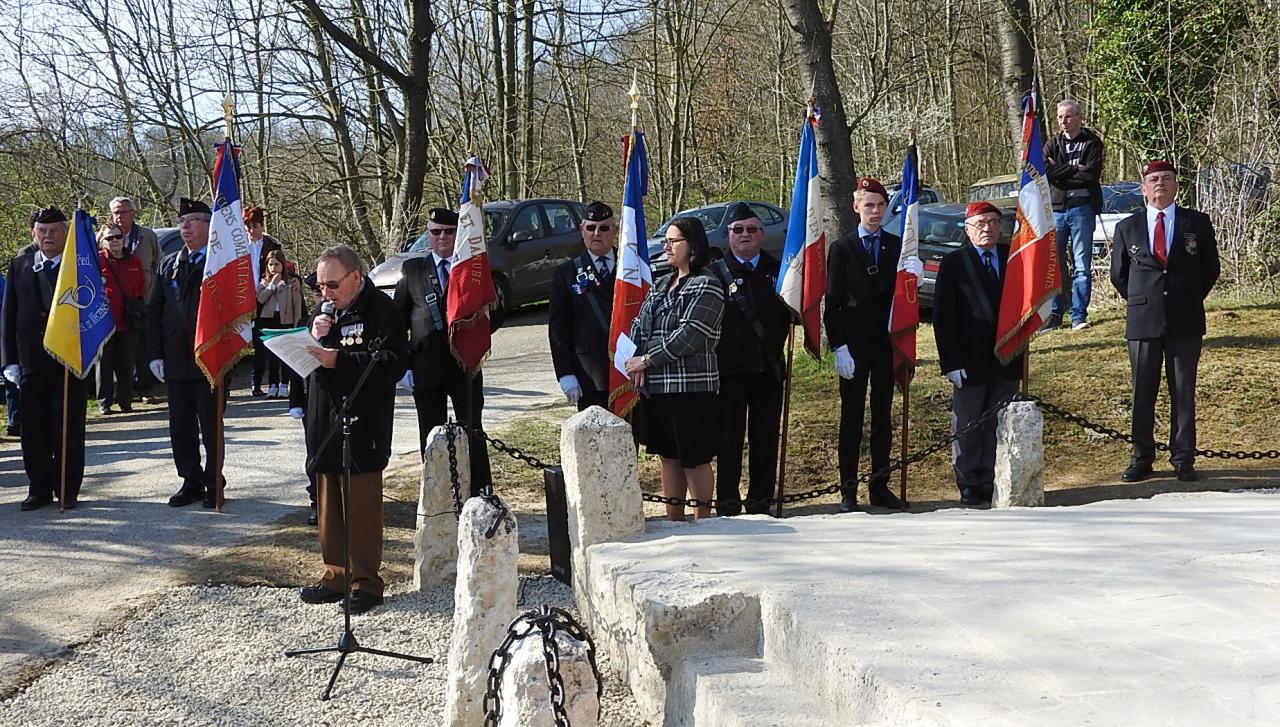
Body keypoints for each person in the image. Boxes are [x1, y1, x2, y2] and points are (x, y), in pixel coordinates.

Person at [299, 244, 408, 615]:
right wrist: (313, 334)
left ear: (356, 278)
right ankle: (335, 575)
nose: (325, 293)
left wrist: (339, 360)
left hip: (363, 424)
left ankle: (365, 581)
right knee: (327, 505)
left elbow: (391, 364)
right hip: (323, 422)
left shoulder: (383, 311)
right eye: (320, 286)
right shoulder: (324, 312)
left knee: (360, 508)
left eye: (332, 285)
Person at [1110, 160, 1219, 483]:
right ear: (1143, 188)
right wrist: (1144, 299)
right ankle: (1141, 457)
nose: (1160, 184)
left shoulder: (1196, 223)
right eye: (1154, 179)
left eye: (1167, 179)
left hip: (1185, 318)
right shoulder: (1126, 228)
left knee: (1183, 390)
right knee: (1143, 390)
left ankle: (1183, 457)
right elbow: (1120, 276)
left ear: (1176, 186)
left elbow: (1210, 269)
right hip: (1143, 320)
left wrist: (1187, 296)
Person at [824, 178, 921, 512]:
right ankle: (847, 490)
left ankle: (880, 485)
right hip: (854, 345)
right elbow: (832, 304)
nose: (876, 212)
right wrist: (838, 346)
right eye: (869, 205)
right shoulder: (842, 248)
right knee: (851, 418)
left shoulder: (897, 246)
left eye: (880, 205)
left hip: (886, 344)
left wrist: (914, 279)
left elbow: (904, 300)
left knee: (883, 417)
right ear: (856, 207)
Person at [624, 217, 725, 522]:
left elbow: (690, 334)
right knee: (668, 454)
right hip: (659, 387)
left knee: (694, 457)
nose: (666, 246)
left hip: (691, 387)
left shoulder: (707, 284)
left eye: (673, 241)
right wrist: (638, 357)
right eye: (666, 241)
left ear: (692, 245)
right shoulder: (660, 284)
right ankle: (674, 520)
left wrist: (649, 359)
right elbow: (639, 325)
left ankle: (704, 522)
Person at [393, 207, 493, 495]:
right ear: (428, 235)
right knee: (431, 432)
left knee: (473, 428)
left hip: (465, 365)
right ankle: (437, 494)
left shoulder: (473, 270)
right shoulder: (413, 270)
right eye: (436, 232)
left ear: (458, 234)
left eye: (449, 232)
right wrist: (404, 367)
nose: (442, 237)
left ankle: (480, 491)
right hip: (426, 368)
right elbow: (399, 322)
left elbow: (493, 316)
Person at [932, 201, 1025, 507]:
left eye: (993, 223)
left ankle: (991, 477)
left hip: (1006, 356)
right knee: (969, 424)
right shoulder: (954, 263)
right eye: (981, 223)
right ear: (968, 228)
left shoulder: (1013, 258)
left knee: (999, 422)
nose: (988, 229)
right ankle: (969, 481)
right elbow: (943, 318)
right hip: (969, 359)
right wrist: (951, 362)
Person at [2, 207, 88, 510]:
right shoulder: (20, 265)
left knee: (66, 427)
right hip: (31, 363)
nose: (47, 236)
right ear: (33, 234)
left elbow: (92, 311)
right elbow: (8, 316)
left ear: (66, 234)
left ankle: (66, 488)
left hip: (68, 362)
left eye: (53, 230)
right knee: (34, 429)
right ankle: (37, 488)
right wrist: (9, 361)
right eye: (42, 230)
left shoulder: (78, 266)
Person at [709, 202, 790, 516]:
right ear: (728, 235)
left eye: (752, 229)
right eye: (737, 230)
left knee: (766, 441)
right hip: (728, 373)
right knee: (728, 442)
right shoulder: (715, 273)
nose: (745, 235)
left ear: (762, 233)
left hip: (768, 371)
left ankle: (760, 503)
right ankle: (727, 505)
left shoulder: (780, 271)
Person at [148, 197, 225, 508]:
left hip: (210, 358)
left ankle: (213, 482)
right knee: (180, 424)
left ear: (210, 226)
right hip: (176, 357)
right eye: (182, 222)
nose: (185, 227)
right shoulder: (169, 264)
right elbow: (154, 311)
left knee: (210, 424)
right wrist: (154, 354)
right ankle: (190, 480)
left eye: (193, 221)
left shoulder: (221, 264)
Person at [548, 201, 617, 411]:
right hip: (589, 374)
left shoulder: (630, 268)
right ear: (581, 230)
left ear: (615, 230)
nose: (597, 233)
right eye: (591, 228)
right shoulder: (566, 273)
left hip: (628, 371)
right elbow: (559, 330)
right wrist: (565, 373)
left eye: (604, 228)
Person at [1043, 98, 1105, 331]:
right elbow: (1046, 172)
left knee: (1081, 264)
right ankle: (1056, 316)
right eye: (1060, 117)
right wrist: (1074, 168)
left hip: (1082, 209)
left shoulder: (1092, 142)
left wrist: (1062, 171)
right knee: (1054, 265)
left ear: (1079, 117)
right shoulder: (1052, 143)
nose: (1064, 121)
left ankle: (1078, 316)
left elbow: (1091, 175)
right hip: (1057, 210)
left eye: (1068, 116)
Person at [110, 196, 163, 404]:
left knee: (143, 348)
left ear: (133, 213)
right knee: (117, 351)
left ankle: (145, 389)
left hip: (143, 301)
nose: (119, 216)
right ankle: (119, 392)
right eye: (115, 212)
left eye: (123, 212)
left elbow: (160, 263)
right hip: (114, 305)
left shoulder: (147, 236)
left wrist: (155, 293)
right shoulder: (104, 236)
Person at [96, 222, 146, 415]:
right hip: (104, 322)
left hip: (128, 321)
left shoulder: (134, 261)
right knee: (104, 364)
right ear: (102, 241)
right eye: (109, 237)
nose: (114, 241)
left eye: (117, 237)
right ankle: (104, 402)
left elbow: (142, 286)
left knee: (126, 363)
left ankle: (125, 400)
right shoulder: (97, 260)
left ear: (124, 238)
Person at [254, 249, 305, 398]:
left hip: (285, 321)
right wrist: (272, 286)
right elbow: (260, 299)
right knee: (272, 356)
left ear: (283, 265)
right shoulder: (263, 282)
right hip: (268, 321)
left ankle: (284, 385)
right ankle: (272, 385)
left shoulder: (291, 283)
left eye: (276, 264)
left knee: (285, 355)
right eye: (270, 264)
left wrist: (297, 324)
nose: (273, 267)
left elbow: (297, 306)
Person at [244, 206, 284, 396]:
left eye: (256, 226)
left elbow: (284, 269)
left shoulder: (272, 246)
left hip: (266, 298)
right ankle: (248, 382)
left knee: (263, 343)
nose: (252, 231)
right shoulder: (239, 245)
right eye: (248, 227)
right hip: (243, 297)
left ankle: (262, 382)